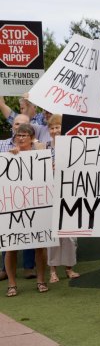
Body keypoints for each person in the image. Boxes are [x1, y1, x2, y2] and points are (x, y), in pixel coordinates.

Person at [4, 123, 49, 297]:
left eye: (24, 135)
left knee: (39, 245)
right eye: (18, 135)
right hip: (12, 206)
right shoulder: (7, 155)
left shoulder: (40, 153)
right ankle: (12, 284)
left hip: (35, 204)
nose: (21, 138)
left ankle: (41, 280)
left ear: (31, 137)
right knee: (11, 246)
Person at [0, 114, 37, 281]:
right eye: (16, 126)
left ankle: (29, 268)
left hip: (32, 197)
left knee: (29, 232)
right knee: (9, 237)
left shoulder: (39, 149)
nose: (19, 131)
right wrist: (11, 156)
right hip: (9, 199)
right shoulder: (2, 145)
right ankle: (5, 270)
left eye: (23, 129)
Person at [45, 114, 80, 283]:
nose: (54, 131)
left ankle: (69, 267)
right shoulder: (42, 147)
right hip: (50, 195)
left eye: (57, 127)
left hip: (69, 193)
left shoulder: (73, 145)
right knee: (52, 234)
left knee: (70, 234)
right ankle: (52, 271)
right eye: (52, 128)